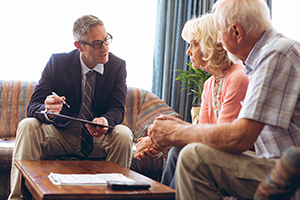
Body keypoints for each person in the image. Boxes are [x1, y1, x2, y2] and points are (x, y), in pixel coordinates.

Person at [144, 0, 300, 199]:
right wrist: (179, 131)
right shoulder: (264, 59)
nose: (218, 40)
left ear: (236, 32)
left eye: (219, 31)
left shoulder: (276, 54)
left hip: (290, 172)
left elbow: (240, 137)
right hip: (275, 165)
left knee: (195, 158)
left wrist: (177, 131)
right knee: (189, 152)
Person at [8, 15, 133, 200]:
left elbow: (117, 108)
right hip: (61, 134)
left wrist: (104, 121)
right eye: (97, 44)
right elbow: (33, 106)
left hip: (97, 138)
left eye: (106, 39)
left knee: (123, 134)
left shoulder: (117, 66)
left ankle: (115, 197)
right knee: (27, 125)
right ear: (79, 46)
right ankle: (18, 197)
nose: (105, 48)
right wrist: (48, 111)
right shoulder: (58, 63)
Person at [134, 13, 249, 190]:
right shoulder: (211, 82)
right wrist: (163, 140)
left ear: (209, 44)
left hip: (238, 159)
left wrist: (167, 137)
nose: (188, 51)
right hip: (216, 152)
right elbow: (201, 132)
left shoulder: (238, 76)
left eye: (193, 44)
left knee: (182, 151)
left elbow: (221, 139)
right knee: (176, 152)